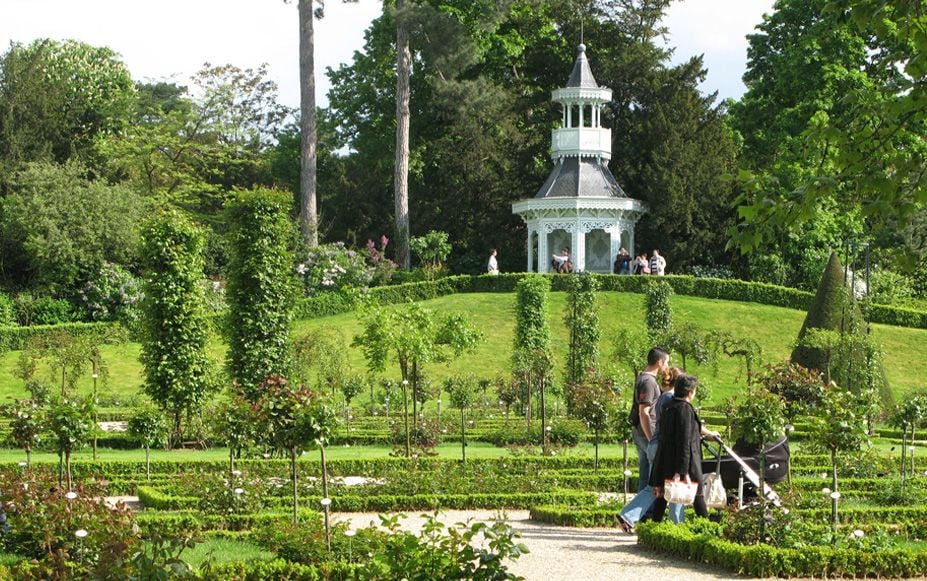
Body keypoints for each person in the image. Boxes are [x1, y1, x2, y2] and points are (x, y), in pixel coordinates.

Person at [618, 366, 684, 532]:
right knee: (674, 484)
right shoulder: (671, 400)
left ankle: (630, 516)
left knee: (656, 485)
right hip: (662, 446)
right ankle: (676, 526)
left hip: (656, 445)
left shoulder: (663, 397)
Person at [649, 374, 714, 522]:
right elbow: (684, 440)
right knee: (697, 495)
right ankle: (708, 528)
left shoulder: (669, 407)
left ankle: (653, 527)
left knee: (664, 495)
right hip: (685, 460)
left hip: (667, 458)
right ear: (690, 392)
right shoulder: (684, 409)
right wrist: (683, 470)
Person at [627, 348, 669, 497]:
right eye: (666, 363)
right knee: (653, 480)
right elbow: (644, 412)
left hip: (640, 432)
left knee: (645, 478)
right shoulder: (648, 382)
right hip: (646, 433)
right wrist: (652, 439)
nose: (667, 367)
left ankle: (640, 515)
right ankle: (645, 512)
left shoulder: (642, 377)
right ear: (659, 362)